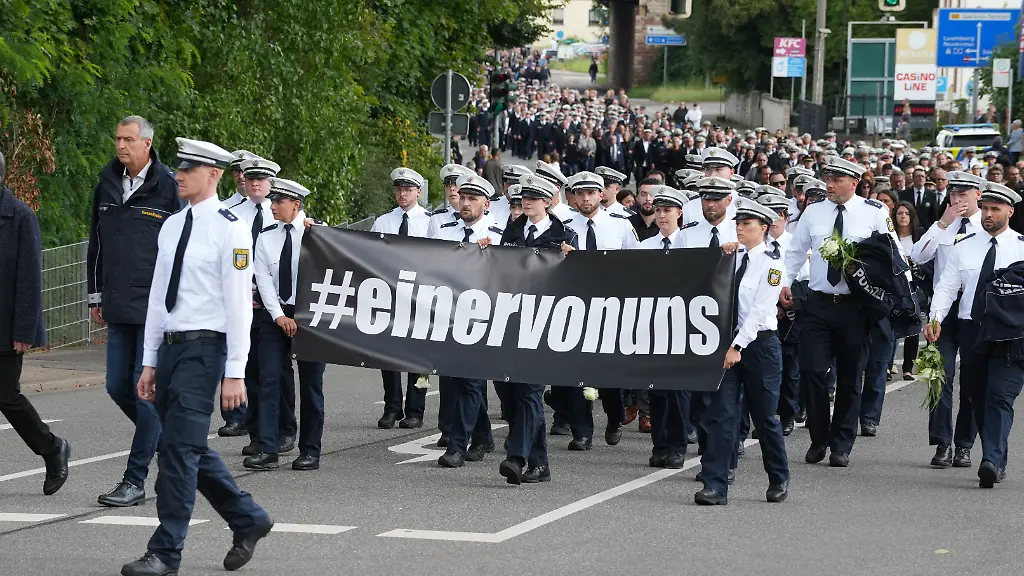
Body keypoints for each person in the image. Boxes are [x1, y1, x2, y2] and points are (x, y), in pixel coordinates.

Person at [121, 138, 272, 576]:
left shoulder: (231, 228)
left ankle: (166, 552)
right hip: (169, 349)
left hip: (206, 348)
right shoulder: (171, 226)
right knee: (181, 445)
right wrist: (149, 360)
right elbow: (156, 300)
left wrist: (235, 372)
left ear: (214, 175)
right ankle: (248, 518)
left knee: (177, 453)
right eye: (178, 168)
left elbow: (239, 304)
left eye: (188, 169)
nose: (178, 175)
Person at [86, 116, 180, 507]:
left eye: (129, 139)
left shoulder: (169, 187)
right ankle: (163, 438)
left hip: (155, 307)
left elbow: (184, 248)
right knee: (116, 386)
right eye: (118, 138)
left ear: (147, 143)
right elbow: (96, 242)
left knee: (145, 394)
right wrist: (95, 296)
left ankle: (134, 479)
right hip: (117, 303)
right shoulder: (107, 183)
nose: (121, 145)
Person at [781, 156, 899, 468]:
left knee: (849, 378)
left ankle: (841, 443)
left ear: (854, 183)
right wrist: (784, 282)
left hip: (855, 307)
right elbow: (794, 251)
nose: (829, 185)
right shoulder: (814, 212)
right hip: (819, 303)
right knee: (813, 371)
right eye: (827, 179)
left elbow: (892, 257)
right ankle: (819, 437)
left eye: (836, 180)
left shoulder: (874, 212)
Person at [925, 182, 1024, 488]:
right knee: (977, 394)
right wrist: (936, 316)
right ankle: (998, 456)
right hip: (973, 331)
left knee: (999, 397)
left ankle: (990, 460)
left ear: (1010, 211)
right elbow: (946, 286)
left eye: (997, 209)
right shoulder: (965, 245)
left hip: (1012, 336)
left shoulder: (1021, 247)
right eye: (987, 209)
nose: (989, 215)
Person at [696, 199, 789, 505]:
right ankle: (715, 485)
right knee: (721, 416)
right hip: (730, 345)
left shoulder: (772, 264)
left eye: (747, 224)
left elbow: (761, 309)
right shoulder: (733, 257)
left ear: (763, 228)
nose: (740, 228)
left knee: (764, 418)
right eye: (738, 223)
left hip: (759, 347)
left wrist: (738, 346)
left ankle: (778, 476)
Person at [497, 174, 576, 484]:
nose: (525, 202)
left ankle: (516, 456)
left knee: (530, 390)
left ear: (547, 201)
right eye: (521, 199)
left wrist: (573, 259)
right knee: (513, 391)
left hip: (545, 322)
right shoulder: (513, 230)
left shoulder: (564, 236)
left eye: (532, 197)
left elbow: (577, 279)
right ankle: (540, 464)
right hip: (513, 320)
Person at [0, 151, 70, 498]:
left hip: (6, 327)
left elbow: (29, 278)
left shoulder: (20, 217)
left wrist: (25, 331)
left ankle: (52, 447)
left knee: (6, 396)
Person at [249, 178, 327, 471]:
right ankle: (268, 448)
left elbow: (326, 274)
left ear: (296, 205)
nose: (272, 206)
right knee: (269, 379)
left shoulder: (317, 233)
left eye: (279, 202)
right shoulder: (266, 235)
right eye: (272, 201)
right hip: (275, 314)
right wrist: (278, 315)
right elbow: (263, 279)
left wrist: (300, 315)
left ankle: (310, 449)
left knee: (311, 384)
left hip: (309, 315)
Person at [910, 171, 987, 468]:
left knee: (972, 381)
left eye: (964, 194)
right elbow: (918, 256)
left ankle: (965, 444)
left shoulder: (986, 225)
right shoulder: (942, 226)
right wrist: (942, 223)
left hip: (974, 311)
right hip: (942, 310)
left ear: (977, 195)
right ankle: (942, 443)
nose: (958, 200)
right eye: (953, 194)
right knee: (939, 379)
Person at [561, 171, 640, 449]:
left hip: (611, 308)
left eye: (591, 193)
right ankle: (582, 431)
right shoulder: (564, 225)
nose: (585, 198)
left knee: (607, 372)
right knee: (577, 372)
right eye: (580, 193)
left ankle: (615, 417)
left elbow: (638, 263)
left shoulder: (620, 225)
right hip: (575, 307)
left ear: (601, 195)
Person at [434, 174, 504, 468]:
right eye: (462, 197)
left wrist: (493, 256)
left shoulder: (497, 235)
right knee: (455, 380)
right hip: (448, 313)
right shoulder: (443, 230)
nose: (465, 203)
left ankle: (457, 445)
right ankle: (483, 435)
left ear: (486, 204)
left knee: (471, 381)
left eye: (472, 199)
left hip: (481, 316)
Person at [233, 156, 297, 457]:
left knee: (278, 372)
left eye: (262, 179)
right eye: (251, 178)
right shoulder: (230, 214)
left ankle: (284, 430)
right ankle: (258, 432)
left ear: (272, 184)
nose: (255, 183)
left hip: (275, 305)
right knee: (253, 371)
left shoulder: (285, 216)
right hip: (244, 303)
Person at [370, 168, 431, 429]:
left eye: (408, 190)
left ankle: (416, 409)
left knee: (419, 359)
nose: (402, 194)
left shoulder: (431, 222)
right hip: (390, 295)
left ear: (418, 192)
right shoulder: (384, 222)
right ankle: (392, 407)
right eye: (399, 189)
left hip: (420, 296)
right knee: (388, 356)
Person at [639, 186, 691, 468]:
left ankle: (677, 444)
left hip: (682, 323)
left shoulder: (689, 244)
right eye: (658, 210)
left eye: (667, 210)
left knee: (678, 390)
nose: (661, 215)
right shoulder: (646, 247)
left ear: (679, 213)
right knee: (656, 389)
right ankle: (660, 444)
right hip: (654, 323)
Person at [893, 201, 923, 381]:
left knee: (913, 326)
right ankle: (888, 365)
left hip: (914, 287)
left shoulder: (919, 237)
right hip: (894, 286)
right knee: (892, 325)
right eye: (899, 213)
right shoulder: (891, 237)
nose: (903, 216)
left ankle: (908, 368)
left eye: (906, 213)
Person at [427, 164, 476, 238]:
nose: (451, 188)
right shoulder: (436, 218)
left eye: (456, 184)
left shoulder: (479, 217)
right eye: (447, 185)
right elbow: (429, 246)